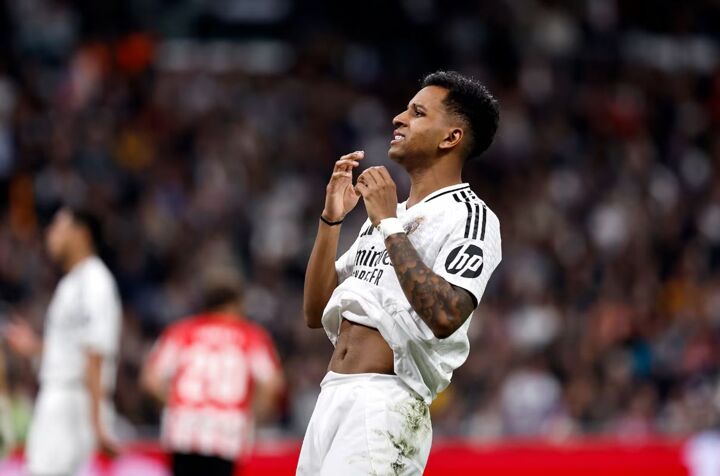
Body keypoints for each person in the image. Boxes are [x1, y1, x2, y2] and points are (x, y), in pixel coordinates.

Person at [297, 71, 502, 475]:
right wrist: (331, 220)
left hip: (385, 405)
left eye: (418, 113)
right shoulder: (389, 215)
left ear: (451, 138)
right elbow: (314, 311)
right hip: (331, 396)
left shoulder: (469, 217)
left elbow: (446, 314)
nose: (398, 119)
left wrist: (389, 223)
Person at [3, 206, 122, 475]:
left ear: (82, 234)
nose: (50, 234)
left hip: (73, 397)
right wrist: (34, 347)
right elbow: (72, 349)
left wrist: (97, 421)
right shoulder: (71, 283)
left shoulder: (95, 282)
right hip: (65, 395)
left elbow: (96, 351)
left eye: (59, 228)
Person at [141, 270, 284, 476]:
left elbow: (151, 381)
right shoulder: (250, 335)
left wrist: (174, 406)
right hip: (225, 431)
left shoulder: (181, 331)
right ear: (235, 304)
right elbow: (272, 384)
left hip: (183, 429)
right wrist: (252, 417)